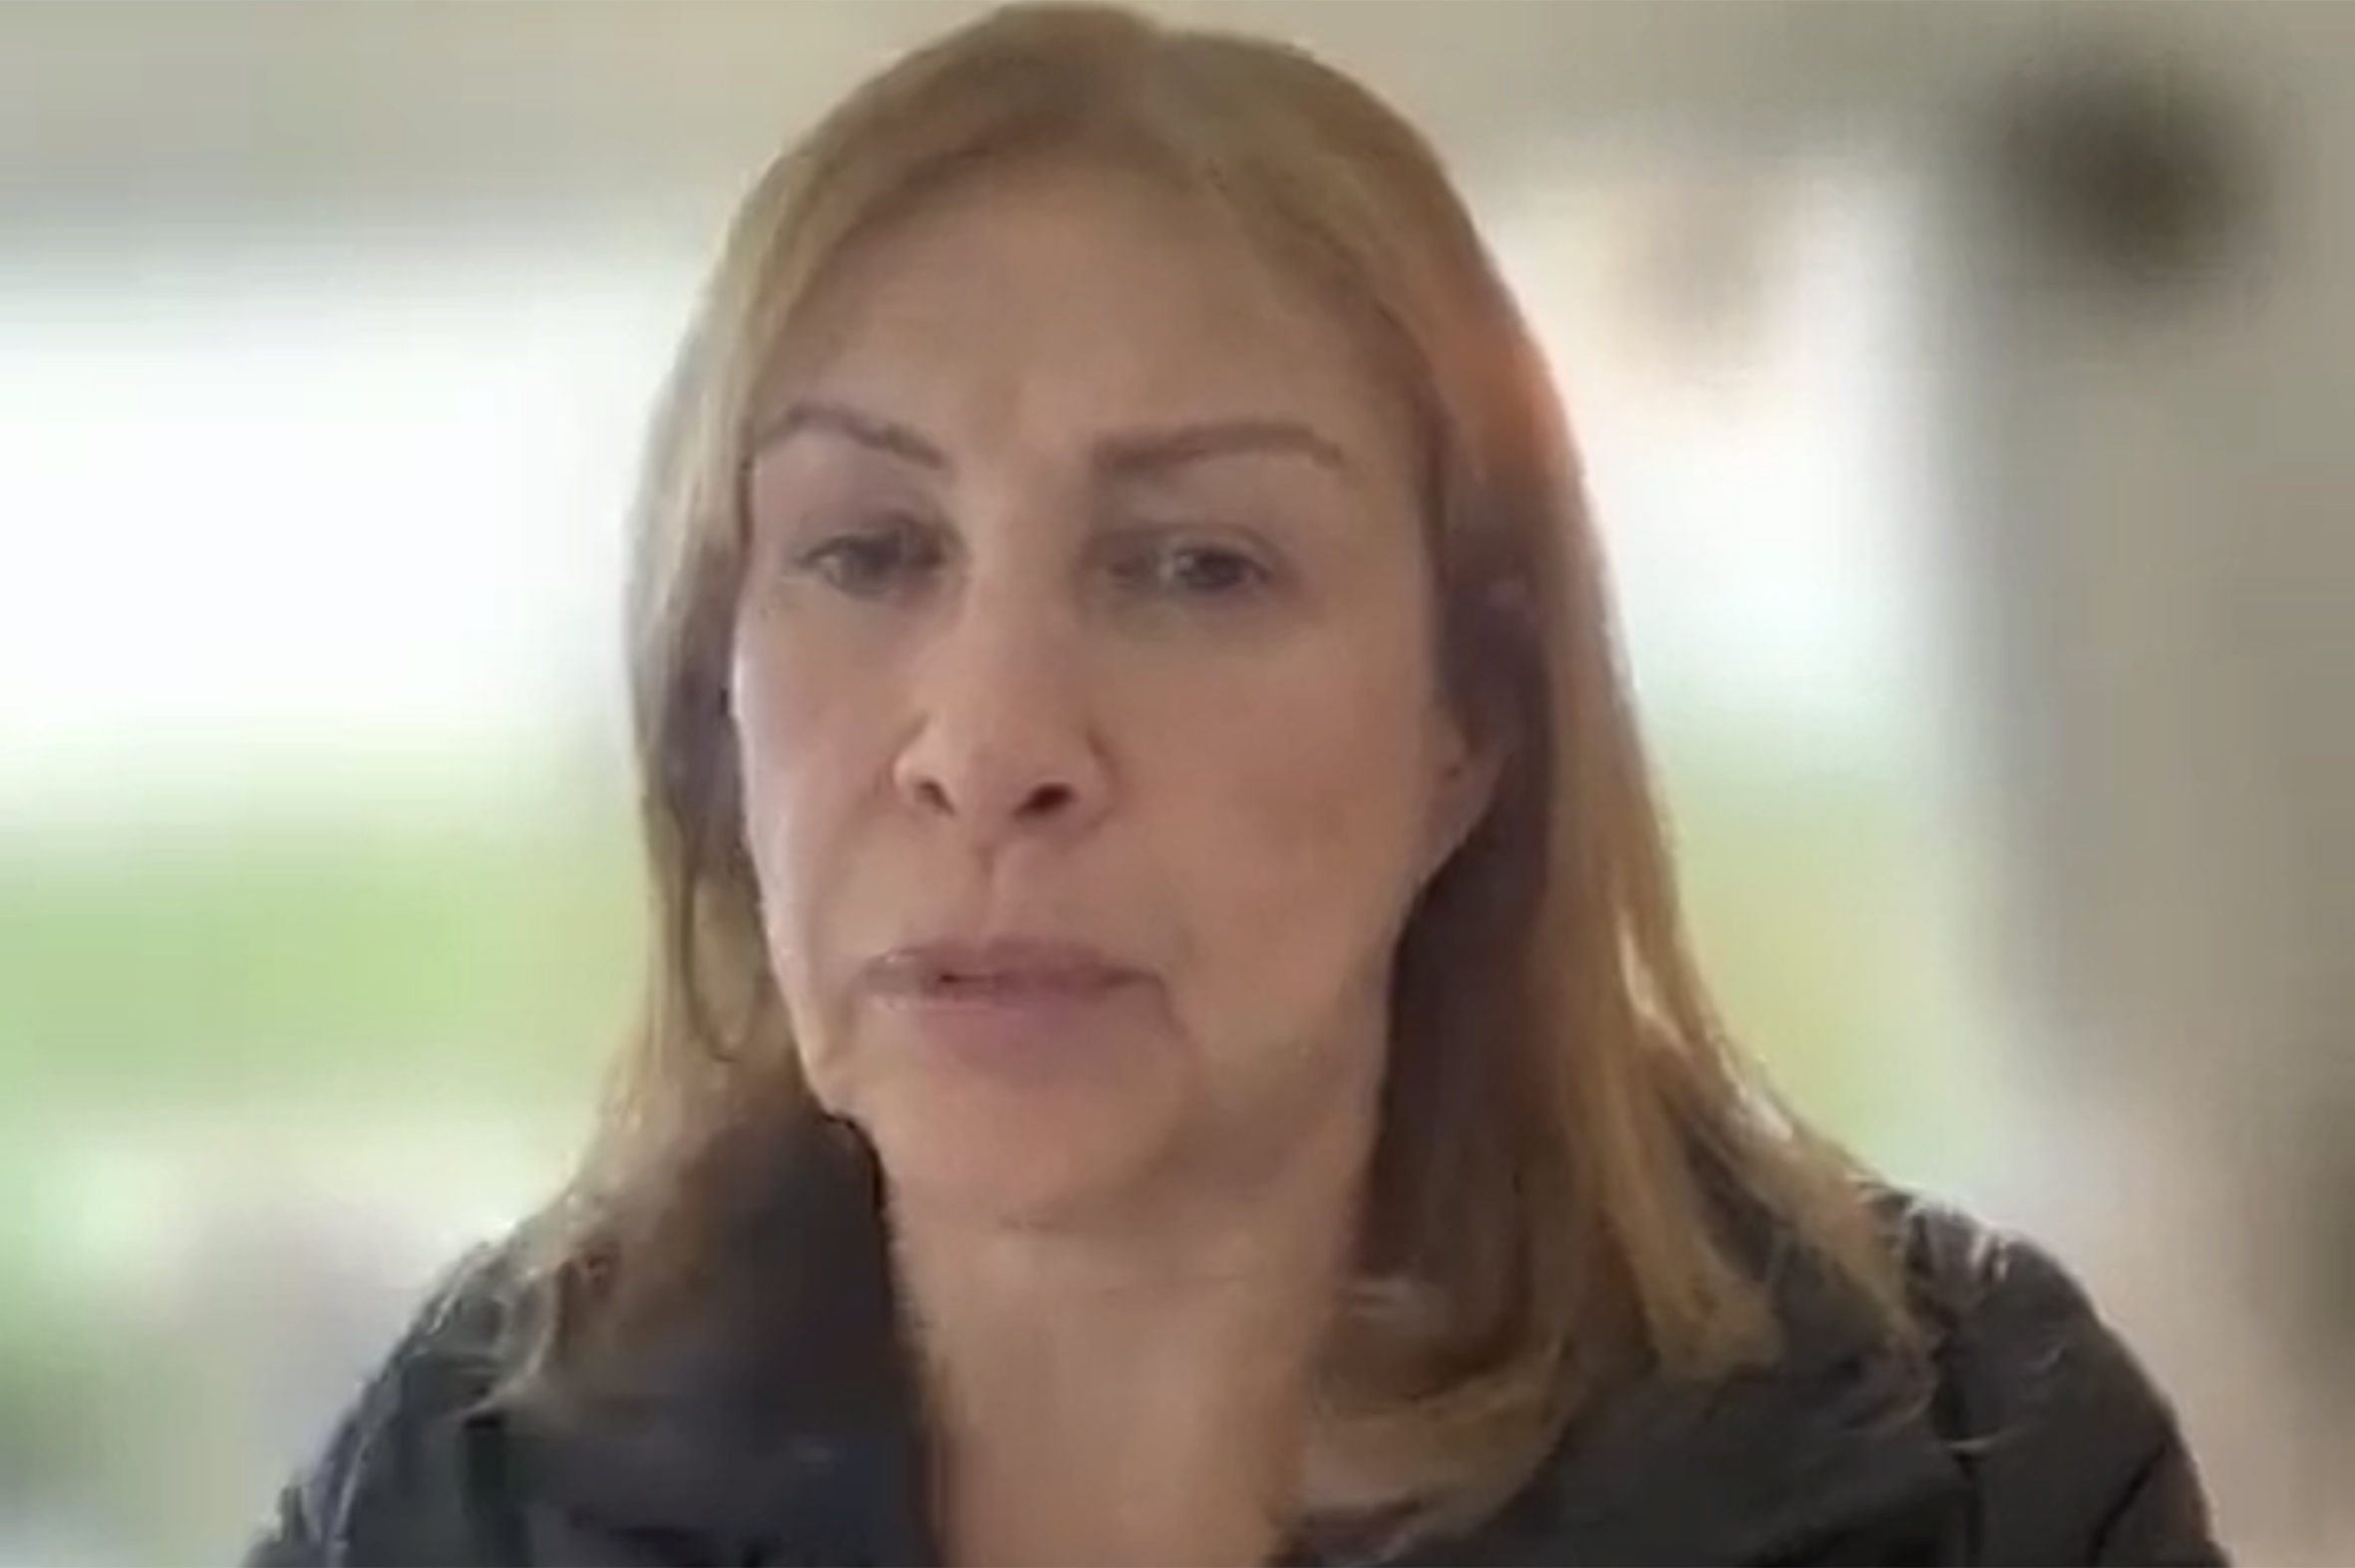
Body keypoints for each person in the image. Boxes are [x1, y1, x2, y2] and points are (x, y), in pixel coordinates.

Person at [243, 4, 2228, 1564]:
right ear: (709, 698)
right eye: (866, 550)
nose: (988, 749)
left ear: (1470, 726)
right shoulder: (453, 1485)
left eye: (1196, 566)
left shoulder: (1975, 1477)